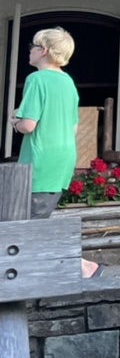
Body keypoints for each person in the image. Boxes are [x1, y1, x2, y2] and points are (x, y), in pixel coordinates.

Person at [9, 27, 100, 281]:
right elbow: (73, 127)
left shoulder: (36, 79)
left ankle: (82, 266)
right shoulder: (68, 82)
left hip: (39, 160)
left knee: (25, 225)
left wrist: (13, 120)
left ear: (44, 50)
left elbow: (28, 125)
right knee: (33, 221)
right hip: (61, 160)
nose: (30, 50)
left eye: (33, 46)